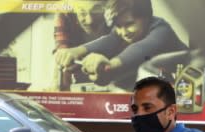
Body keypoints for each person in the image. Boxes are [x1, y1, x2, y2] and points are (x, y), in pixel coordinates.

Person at [57, 0, 187, 90]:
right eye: (118, 26)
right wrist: (74, 51)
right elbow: (109, 40)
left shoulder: (162, 30)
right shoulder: (121, 32)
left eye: (129, 24)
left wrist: (108, 67)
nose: (123, 32)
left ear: (146, 17)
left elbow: (140, 50)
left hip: (192, 89)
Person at [54, 1, 109, 90]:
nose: (89, 20)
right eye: (82, 12)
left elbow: (118, 39)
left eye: (96, 11)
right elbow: (62, 51)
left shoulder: (118, 6)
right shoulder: (64, 11)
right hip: (80, 78)